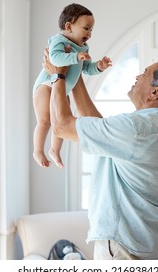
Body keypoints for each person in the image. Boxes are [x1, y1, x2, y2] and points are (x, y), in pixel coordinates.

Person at [45, 46, 158, 259]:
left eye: (145, 74)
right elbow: (97, 126)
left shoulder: (136, 128)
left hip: (125, 244)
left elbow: (61, 126)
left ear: (155, 92)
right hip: (142, 242)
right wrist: (74, 74)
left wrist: (58, 75)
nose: (137, 76)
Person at [32, 3, 112, 168]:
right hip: (46, 86)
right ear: (68, 26)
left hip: (62, 88)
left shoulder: (82, 47)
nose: (89, 34)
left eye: (91, 30)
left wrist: (99, 66)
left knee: (61, 119)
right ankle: (38, 150)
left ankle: (54, 150)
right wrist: (76, 57)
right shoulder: (58, 40)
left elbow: (86, 68)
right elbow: (55, 59)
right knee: (45, 121)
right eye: (86, 28)